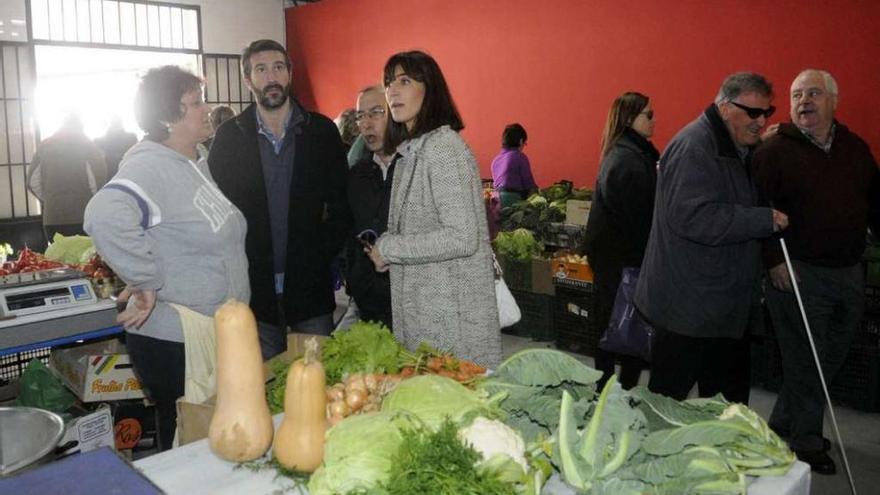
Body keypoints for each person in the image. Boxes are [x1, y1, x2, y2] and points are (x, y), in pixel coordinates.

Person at [84, 66, 249, 451]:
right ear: (166, 118)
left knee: (209, 444)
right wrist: (144, 280)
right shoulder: (150, 166)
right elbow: (103, 214)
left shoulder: (193, 162)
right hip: (176, 341)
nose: (206, 109)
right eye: (195, 103)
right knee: (186, 449)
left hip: (210, 332)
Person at [753, 69, 880, 474]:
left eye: (812, 93)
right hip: (797, 271)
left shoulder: (856, 149)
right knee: (806, 357)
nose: (803, 101)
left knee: (831, 355)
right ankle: (805, 440)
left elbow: (874, 205)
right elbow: (755, 207)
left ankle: (782, 424)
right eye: (795, 95)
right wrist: (772, 259)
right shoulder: (773, 152)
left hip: (848, 271)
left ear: (833, 100)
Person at [634, 72, 789, 405]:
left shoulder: (734, 146)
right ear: (723, 108)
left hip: (718, 307)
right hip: (689, 309)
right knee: (666, 405)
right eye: (752, 113)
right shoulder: (694, 147)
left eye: (767, 113)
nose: (761, 121)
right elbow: (694, 216)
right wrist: (762, 219)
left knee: (722, 408)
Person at [208, 39, 349, 358]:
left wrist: (321, 250)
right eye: (261, 69)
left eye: (278, 67)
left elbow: (342, 203)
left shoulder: (321, 132)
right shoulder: (230, 138)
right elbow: (215, 209)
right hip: (251, 290)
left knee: (316, 387)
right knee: (259, 391)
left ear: (289, 73)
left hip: (310, 287)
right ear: (248, 80)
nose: (271, 77)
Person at [366, 50, 502, 368]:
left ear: (430, 89)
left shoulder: (442, 148)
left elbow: (462, 237)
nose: (392, 91)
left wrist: (392, 248)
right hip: (426, 320)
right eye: (388, 83)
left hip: (451, 326)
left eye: (405, 81)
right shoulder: (412, 150)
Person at [582, 92, 658, 390]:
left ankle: (614, 384)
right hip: (620, 257)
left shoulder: (630, 153)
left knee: (616, 320)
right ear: (630, 119)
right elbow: (635, 217)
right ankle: (610, 386)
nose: (654, 121)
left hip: (615, 255)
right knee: (618, 322)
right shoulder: (628, 159)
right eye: (648, 115)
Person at [340, 85, 396, 330]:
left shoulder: (414, 171)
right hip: (365, 303)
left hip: (410, 305)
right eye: (361, 116)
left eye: (376, 113)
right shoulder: (356, 176)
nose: (366, 123)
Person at [27, 114, 107, 241]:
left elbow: (32, 182)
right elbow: (98, 183)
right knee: (84, 258)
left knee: (57, 258)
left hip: (53, 217)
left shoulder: (45, 146)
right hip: (82, 215)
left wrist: (50, 198)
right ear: (81, 126)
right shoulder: (89, 147)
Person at [490, 123, 538, 208]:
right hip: (512, 201)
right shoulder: (519, 156)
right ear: (520, 141)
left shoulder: (495, 161)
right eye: (524, 143)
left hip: (495, 202)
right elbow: (529, 185)